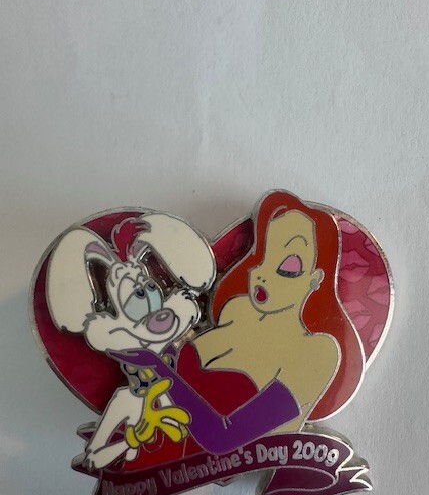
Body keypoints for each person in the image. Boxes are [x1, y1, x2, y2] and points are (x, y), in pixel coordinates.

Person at [123, 191, 365, 455]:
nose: (261, 274)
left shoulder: (317, 354)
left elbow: (222, 437)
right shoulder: (238, 311)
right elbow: (179, 373)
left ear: (315, 279)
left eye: (287, 266)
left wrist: (159, 368)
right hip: (156, 447)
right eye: (264, 256)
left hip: (229, 466)